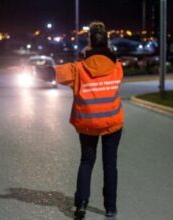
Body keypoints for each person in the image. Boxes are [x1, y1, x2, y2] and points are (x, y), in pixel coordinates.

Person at [54, 21, 124, 219]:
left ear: (89, 43)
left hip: (87, 123)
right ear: (107, 43)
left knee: (87, 161)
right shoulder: (117, 68)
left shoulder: (78, 69)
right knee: (110, 164)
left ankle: (81, 205)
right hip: (112, 122)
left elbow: (52, 73)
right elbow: (110, 68)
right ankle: (110, 208)